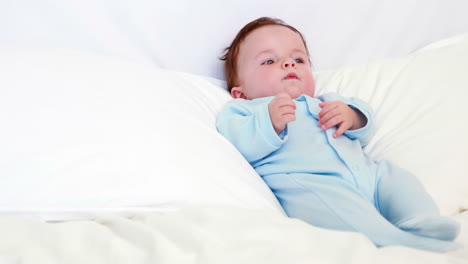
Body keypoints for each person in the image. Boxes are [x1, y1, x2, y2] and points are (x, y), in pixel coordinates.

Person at [216, 17, 462, 252]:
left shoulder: (328, 101)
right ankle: (401, 244)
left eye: (299, 59)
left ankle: (422, 221)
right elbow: (239, 140)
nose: (289, 64)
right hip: (315, 185)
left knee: (397, 180)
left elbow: (365, 125)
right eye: (269, 61)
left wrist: (351, 117)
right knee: (347, 218)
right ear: (241, 92)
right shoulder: (244, 109)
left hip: (369, 175)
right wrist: (268, 122)